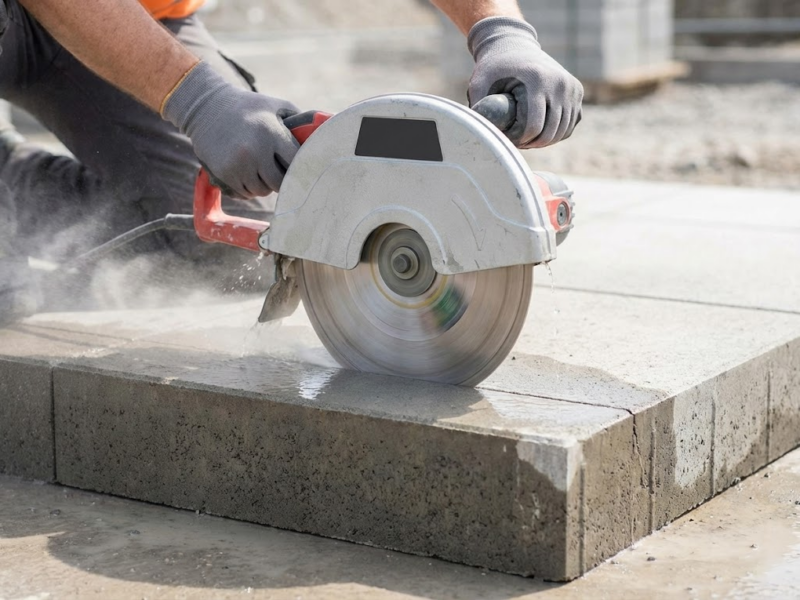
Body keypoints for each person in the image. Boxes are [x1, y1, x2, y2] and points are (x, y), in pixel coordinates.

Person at [0, 0, 583, 325]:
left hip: (136, 12)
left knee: (235, 241)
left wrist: (500, 30)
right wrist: (196, 100)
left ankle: (11, 184)